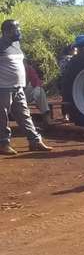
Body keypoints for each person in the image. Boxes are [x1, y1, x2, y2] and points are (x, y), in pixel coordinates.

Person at [0, 19, 52, 155]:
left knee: (25, 115)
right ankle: (3, 143)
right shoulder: (0, 45)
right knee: (2, 117)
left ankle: (35, 141)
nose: (19, 31)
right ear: (6, 31)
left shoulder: (16, 44)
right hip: (3, 88)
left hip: (18, 88)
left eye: (19, 28)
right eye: (16, 29)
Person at [24, 59, 51, 125]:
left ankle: (46, 116)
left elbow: (36, 81)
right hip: (6, 94)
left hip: (21, 94)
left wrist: (37, 88)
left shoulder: (28, 69)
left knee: (40, 91)